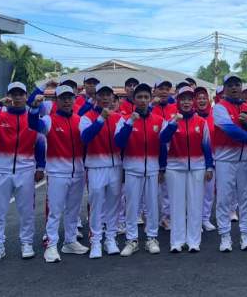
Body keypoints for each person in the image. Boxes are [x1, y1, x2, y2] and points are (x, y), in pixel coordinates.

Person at [0, 82, 43, 262]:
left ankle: (26, 242)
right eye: (14, 94)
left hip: (25, 170)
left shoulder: (32, 118)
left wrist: (40, 167)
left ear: (26, 96)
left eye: (21, 94)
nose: (17, 97)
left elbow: (40, 144)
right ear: (8, 96)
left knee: (26, 211)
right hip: (0, 170)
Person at [28, 86, 89, 262]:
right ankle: (51, 245)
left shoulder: (80, 120)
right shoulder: (49, 120)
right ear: (56, 100)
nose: (67, 101)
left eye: (70, 97)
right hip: (57, 173)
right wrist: (34, 108)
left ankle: (70, 241)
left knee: (73, 210)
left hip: (78, 172)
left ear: (75, 99)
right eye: (63, 98)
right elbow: (33, 124)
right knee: (55, 211)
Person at [212, 74, 247, 252]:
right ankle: (225, 236)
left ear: (241, 87)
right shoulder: (219, 108)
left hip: (245, 159)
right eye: (230, 85)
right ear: (224, 88)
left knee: (246, 199)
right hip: (224, 160)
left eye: (237, 84)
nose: (234, 88)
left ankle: (246, 235)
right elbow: (230, 130)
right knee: (224, 199)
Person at [114, 83, 171, 257]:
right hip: (132, 169)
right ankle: (131, 240)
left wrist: (162, 168)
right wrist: (130, 122)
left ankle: (152, 238)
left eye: (146, 97)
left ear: (151, 98)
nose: (143, 100)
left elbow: (163, 145)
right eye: (139, 97)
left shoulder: (159, 121)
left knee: (152, 205)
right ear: (134, 99)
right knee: (132, 206)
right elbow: (119, 142)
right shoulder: (124, 120)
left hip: (153, 169)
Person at [160, 86, 214, 253]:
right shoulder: (170, 120)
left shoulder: (201, 122)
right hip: (175, 168)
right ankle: (177, 242)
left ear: (194, 102)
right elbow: (162, 139)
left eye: (189, 99)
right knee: (176, 206)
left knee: (195, 205)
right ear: (178, 101)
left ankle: (193, 241)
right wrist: (173, 123)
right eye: (183, 99)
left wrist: (209, 166)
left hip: (197, 167)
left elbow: (207, 146)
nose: (186, 102)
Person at [79, 84, 123, 258]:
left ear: (113, 98)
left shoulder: (118, 118)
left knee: (114, 204)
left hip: (115, 166)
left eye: (108, 95)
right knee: (96, 203)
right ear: (96, 97)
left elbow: (121, 142)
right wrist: (100, 119)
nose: (105, 98)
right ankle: (96, 240)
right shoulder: (87, 117)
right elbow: (85, 138)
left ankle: (110, 238)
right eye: (102, 95)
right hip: (96, 166)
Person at [193, 87, 218, 233]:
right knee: (195, 192)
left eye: (204, 98)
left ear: (208, 100)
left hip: (212, 158)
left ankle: (205, 218)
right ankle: (195, 219)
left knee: (209, 191)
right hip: (195, 159)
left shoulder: (214, 115)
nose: (201, 101)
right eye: (198, 98)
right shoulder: (190, 116)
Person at [152, 80, 175, 231]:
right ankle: (148, 218)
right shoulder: (148, 108)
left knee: (167, 188)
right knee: (151, 191)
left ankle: (166, 217)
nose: (164, 91)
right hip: (151, 152)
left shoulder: (175, 108)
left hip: (171, 153)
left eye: (167, 89)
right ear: (154, 91)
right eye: (161, 88)